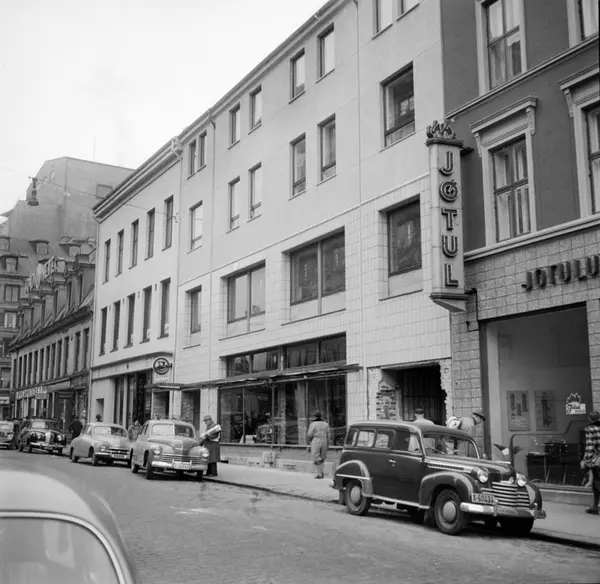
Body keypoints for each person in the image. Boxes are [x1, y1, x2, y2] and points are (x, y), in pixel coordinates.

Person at [581, 410, 600, 515]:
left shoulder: (590, 429)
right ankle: (594, 506)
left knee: (597, 483)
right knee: (596, 483)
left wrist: (586, 461)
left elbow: (590, 447)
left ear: (589, 419)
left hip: (597, 460)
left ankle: (595, 507)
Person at [307, 411, 330, 479]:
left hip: (316, 440)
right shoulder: (326, 424)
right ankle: (321, 472)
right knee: (322, 457)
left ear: (315, 417)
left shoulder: (313, 424)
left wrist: (310, 441)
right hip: (324, 440)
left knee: (316, 457)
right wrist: (328, 443)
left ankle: (319, 474)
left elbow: (309, 434)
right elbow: (328, 434)